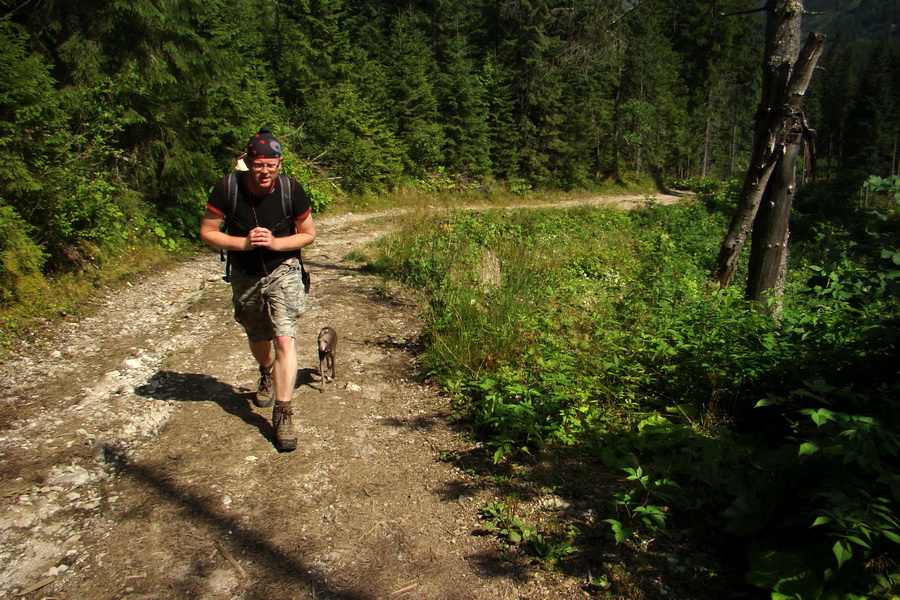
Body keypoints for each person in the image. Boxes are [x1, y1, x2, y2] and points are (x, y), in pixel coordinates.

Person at [199, 126, 316, 451]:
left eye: (271, 164)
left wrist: (277, 243)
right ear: (248, 162)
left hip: (285, 269)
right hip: (244, 271)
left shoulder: (292, 190)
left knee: (284, 336)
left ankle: (283, 411)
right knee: (258, 334)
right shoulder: (227, 188)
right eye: (258, 164)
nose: (265, 170)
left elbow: (307, 234)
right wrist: (243, 243)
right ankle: (266, 371)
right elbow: (208, 231)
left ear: (279, 163)